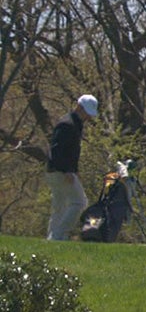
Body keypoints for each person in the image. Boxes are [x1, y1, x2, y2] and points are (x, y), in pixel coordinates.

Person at [45, 94, 99, 240]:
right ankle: (59, 235)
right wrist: (68, 171)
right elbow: (58, 150)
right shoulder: (67, 124)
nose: (88, 116)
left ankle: (52, 238)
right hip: (60, 171)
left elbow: (71, 151)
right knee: (79, 202)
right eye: (86, 112)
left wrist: (74, 170)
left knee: (59, 207)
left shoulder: (73, 124)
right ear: (79, 107)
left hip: (57, 170)